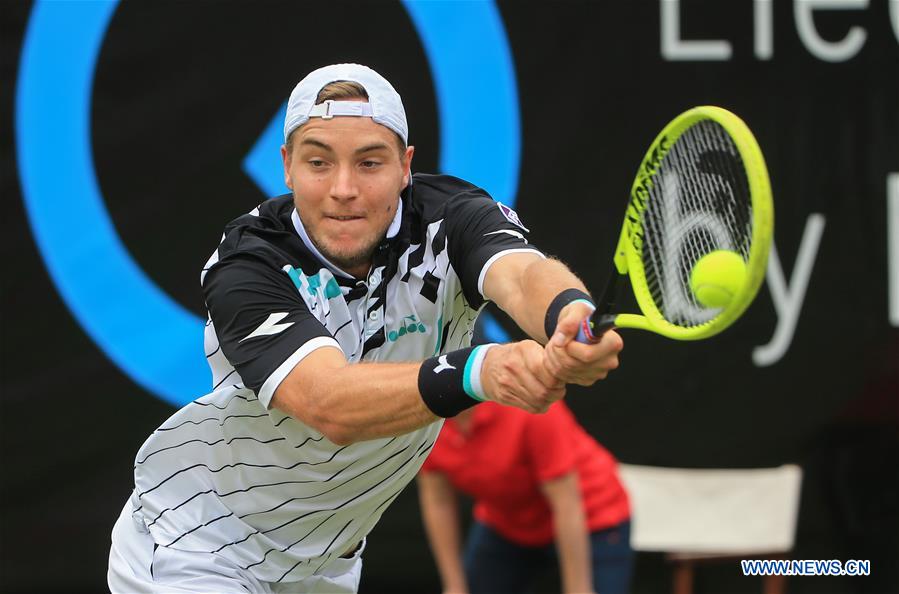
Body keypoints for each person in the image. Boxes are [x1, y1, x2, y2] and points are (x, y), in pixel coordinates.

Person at [107, 63, 624, 593]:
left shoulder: (454, 218)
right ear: (286, 167)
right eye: (318, 162)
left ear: (405, 166)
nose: (343, 189)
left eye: (369, 162)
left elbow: (522, 274)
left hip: (327, 563)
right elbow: (328, 403)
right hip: (199, 542)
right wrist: (480, 370)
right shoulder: (246, 264)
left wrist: (569, 316)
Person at [418, 401, 633, 594]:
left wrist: (579, 588)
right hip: (508, 522)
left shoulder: (531, 407)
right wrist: (454, 586)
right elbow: (438, 502)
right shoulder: (425, 424)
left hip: (592, 515)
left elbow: (566, 503)